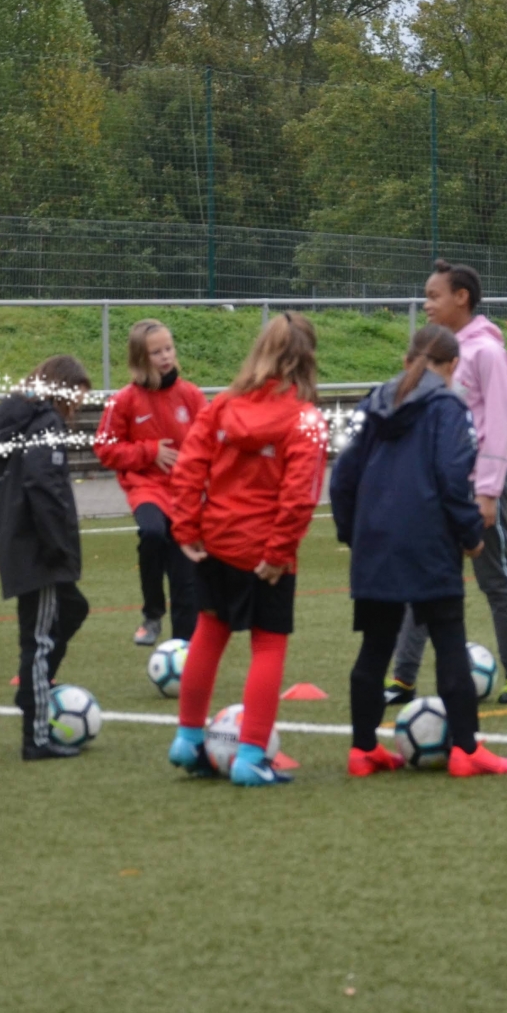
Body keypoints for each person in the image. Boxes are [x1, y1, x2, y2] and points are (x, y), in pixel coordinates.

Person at [331, 325, 507, 778]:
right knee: (449, 642)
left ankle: (362, 749)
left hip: (376, 541)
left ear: (406, 360)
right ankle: (466, 750)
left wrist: (354, 533)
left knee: (375, 646)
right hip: (429, 542)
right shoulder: (448, 408)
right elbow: (452, 478)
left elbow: (342, 477)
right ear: (453, 366)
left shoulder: (370, 402)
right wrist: (470, 535)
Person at [166, 313, 328, 787]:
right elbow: (300, 495)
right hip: (263, 549)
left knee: (209, 633)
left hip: (217, 540)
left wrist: (187, 527)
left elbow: (189, 467)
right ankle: (251, 756)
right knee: (268, 644)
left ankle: (187, 740)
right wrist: (278, 552)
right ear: (308, 358)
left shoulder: (222, 405)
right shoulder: (306, 419)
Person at [387, 260, 507, 706]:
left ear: (461, 297)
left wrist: (487, 491)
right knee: (427, 578)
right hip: (439, 487)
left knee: (494, 578)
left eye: (434, 296)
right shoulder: (435, 354)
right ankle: (403, 678)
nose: (427, 305)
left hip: (479, 489)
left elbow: (498, 426)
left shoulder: (488, 353)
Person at [0, 355, 94, 762]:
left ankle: (31, 692)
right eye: (76, 397)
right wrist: (59, 548)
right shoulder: (45, 423)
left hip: (19, 544)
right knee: (38, 641)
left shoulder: (9, 424)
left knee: (72, 608)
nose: (76, 406)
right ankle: (36, 737)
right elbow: (44, 485)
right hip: (37, 547)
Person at [93, 318, 207, 647]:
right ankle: (153, 614)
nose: (165, 356)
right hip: (147, 489)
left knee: (186, 580)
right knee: (153, 533)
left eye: (168, 348)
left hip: (186, 496)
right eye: (156, 352)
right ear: (140, 359)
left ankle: (184, 651)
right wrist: (149, 451)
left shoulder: (191, 396)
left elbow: (211, 442)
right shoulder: (124, 400)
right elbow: (105, 448)